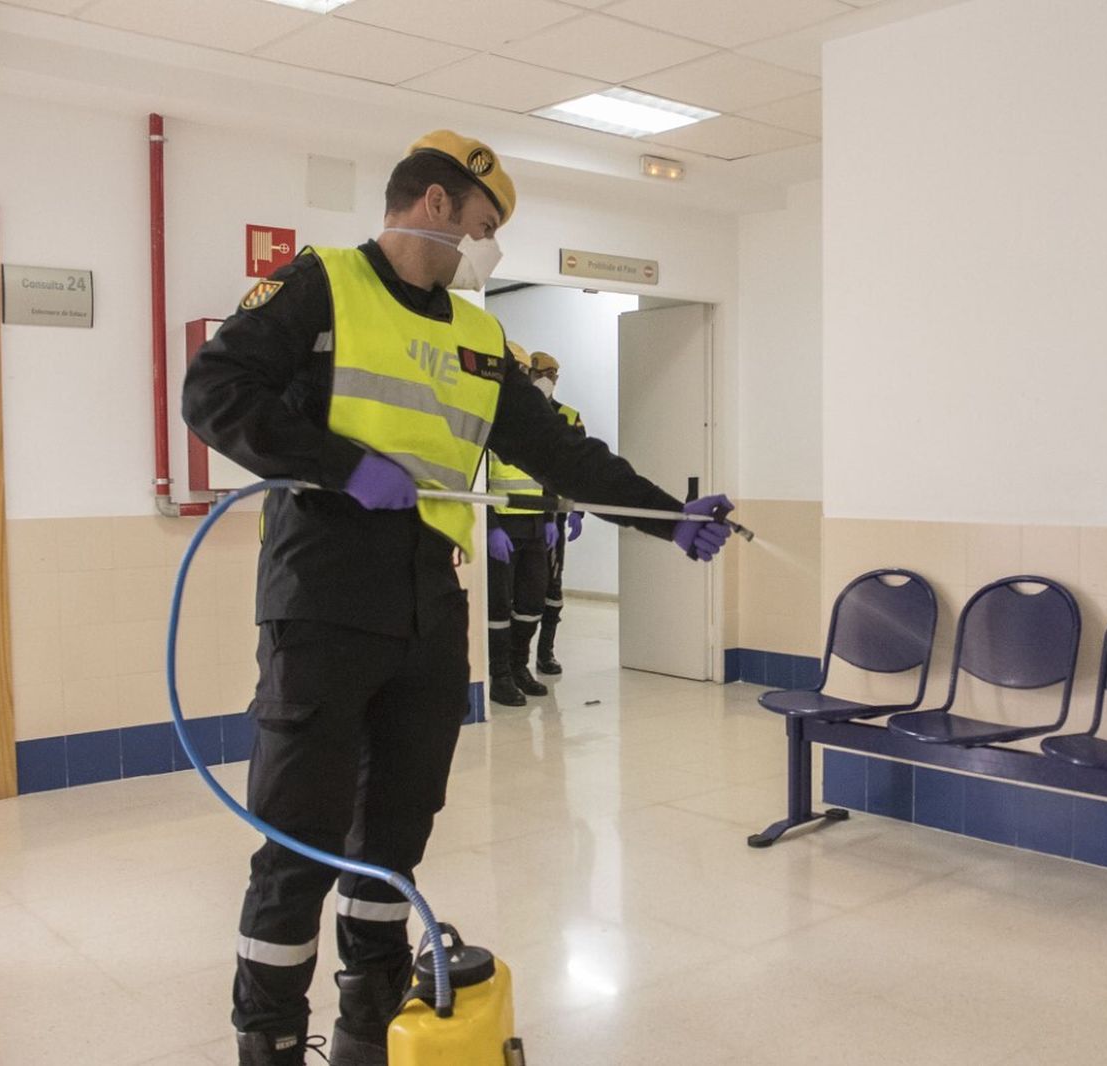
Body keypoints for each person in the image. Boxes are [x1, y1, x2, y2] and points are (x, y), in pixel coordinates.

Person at [181, 129, 733, 1066]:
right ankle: (268, 1034)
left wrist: (666, 517)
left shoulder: (481, 337)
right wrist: (343, 466)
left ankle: (374, 993)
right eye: (484, 226)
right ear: (434, 205)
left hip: (429, 603)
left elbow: (562, 454)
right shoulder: (320, 284)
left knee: (400, 818)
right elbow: (214, 391)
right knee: (300, 834)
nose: (489, 248)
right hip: (323, 593)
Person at [483, 342, 555, 706]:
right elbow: (477, 479)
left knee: (531, 603)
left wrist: (550, 518)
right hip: (501, 528)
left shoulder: (530, 422)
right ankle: (499, 675)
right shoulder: (485, 420)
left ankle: (519, 666)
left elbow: (547, 474)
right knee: (498, 607)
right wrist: (491, 525)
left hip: (534, 528)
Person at [524, 351, 584, 676]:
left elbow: (579, 465)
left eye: (553, 373)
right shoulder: (520, 413)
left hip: (555, 516)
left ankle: (545, 653)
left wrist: (577, 511)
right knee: (521, 592)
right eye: (542, 372)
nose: (549, 378)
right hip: (520, 514)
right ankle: (511, 661)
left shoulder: (568, 415)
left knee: (552, 587)